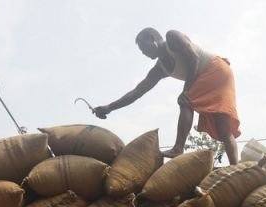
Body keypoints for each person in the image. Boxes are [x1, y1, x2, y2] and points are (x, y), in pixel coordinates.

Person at [94, 28, 241, 165]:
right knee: (222, 126)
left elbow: (193, 58)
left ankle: (178, 148)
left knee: (185, 101)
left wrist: (186, 90)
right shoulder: (159, 69)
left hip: (214, 68)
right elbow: (137, 92)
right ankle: (235, 166)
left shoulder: (172, 37)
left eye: (143, 48)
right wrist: (110, 107)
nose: (144, 53)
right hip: (219, 74)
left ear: (152, 39)